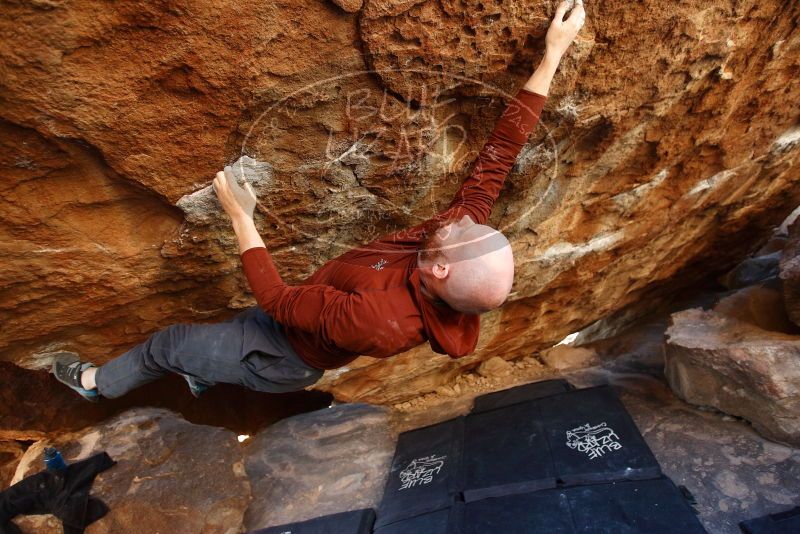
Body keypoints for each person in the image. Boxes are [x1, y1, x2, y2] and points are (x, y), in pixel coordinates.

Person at [52, 1, 586, 401]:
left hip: (278, 352)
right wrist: (552, 54)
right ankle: (203, 369)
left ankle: (96, 384)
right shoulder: (453, 243)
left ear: (442, 271)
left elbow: (278, 303)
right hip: (298, 316)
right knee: (210, 341)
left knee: (166, 344)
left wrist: (242, 216)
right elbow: (501, 151)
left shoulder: (381, 319)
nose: (455, 221)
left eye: (461, 234)